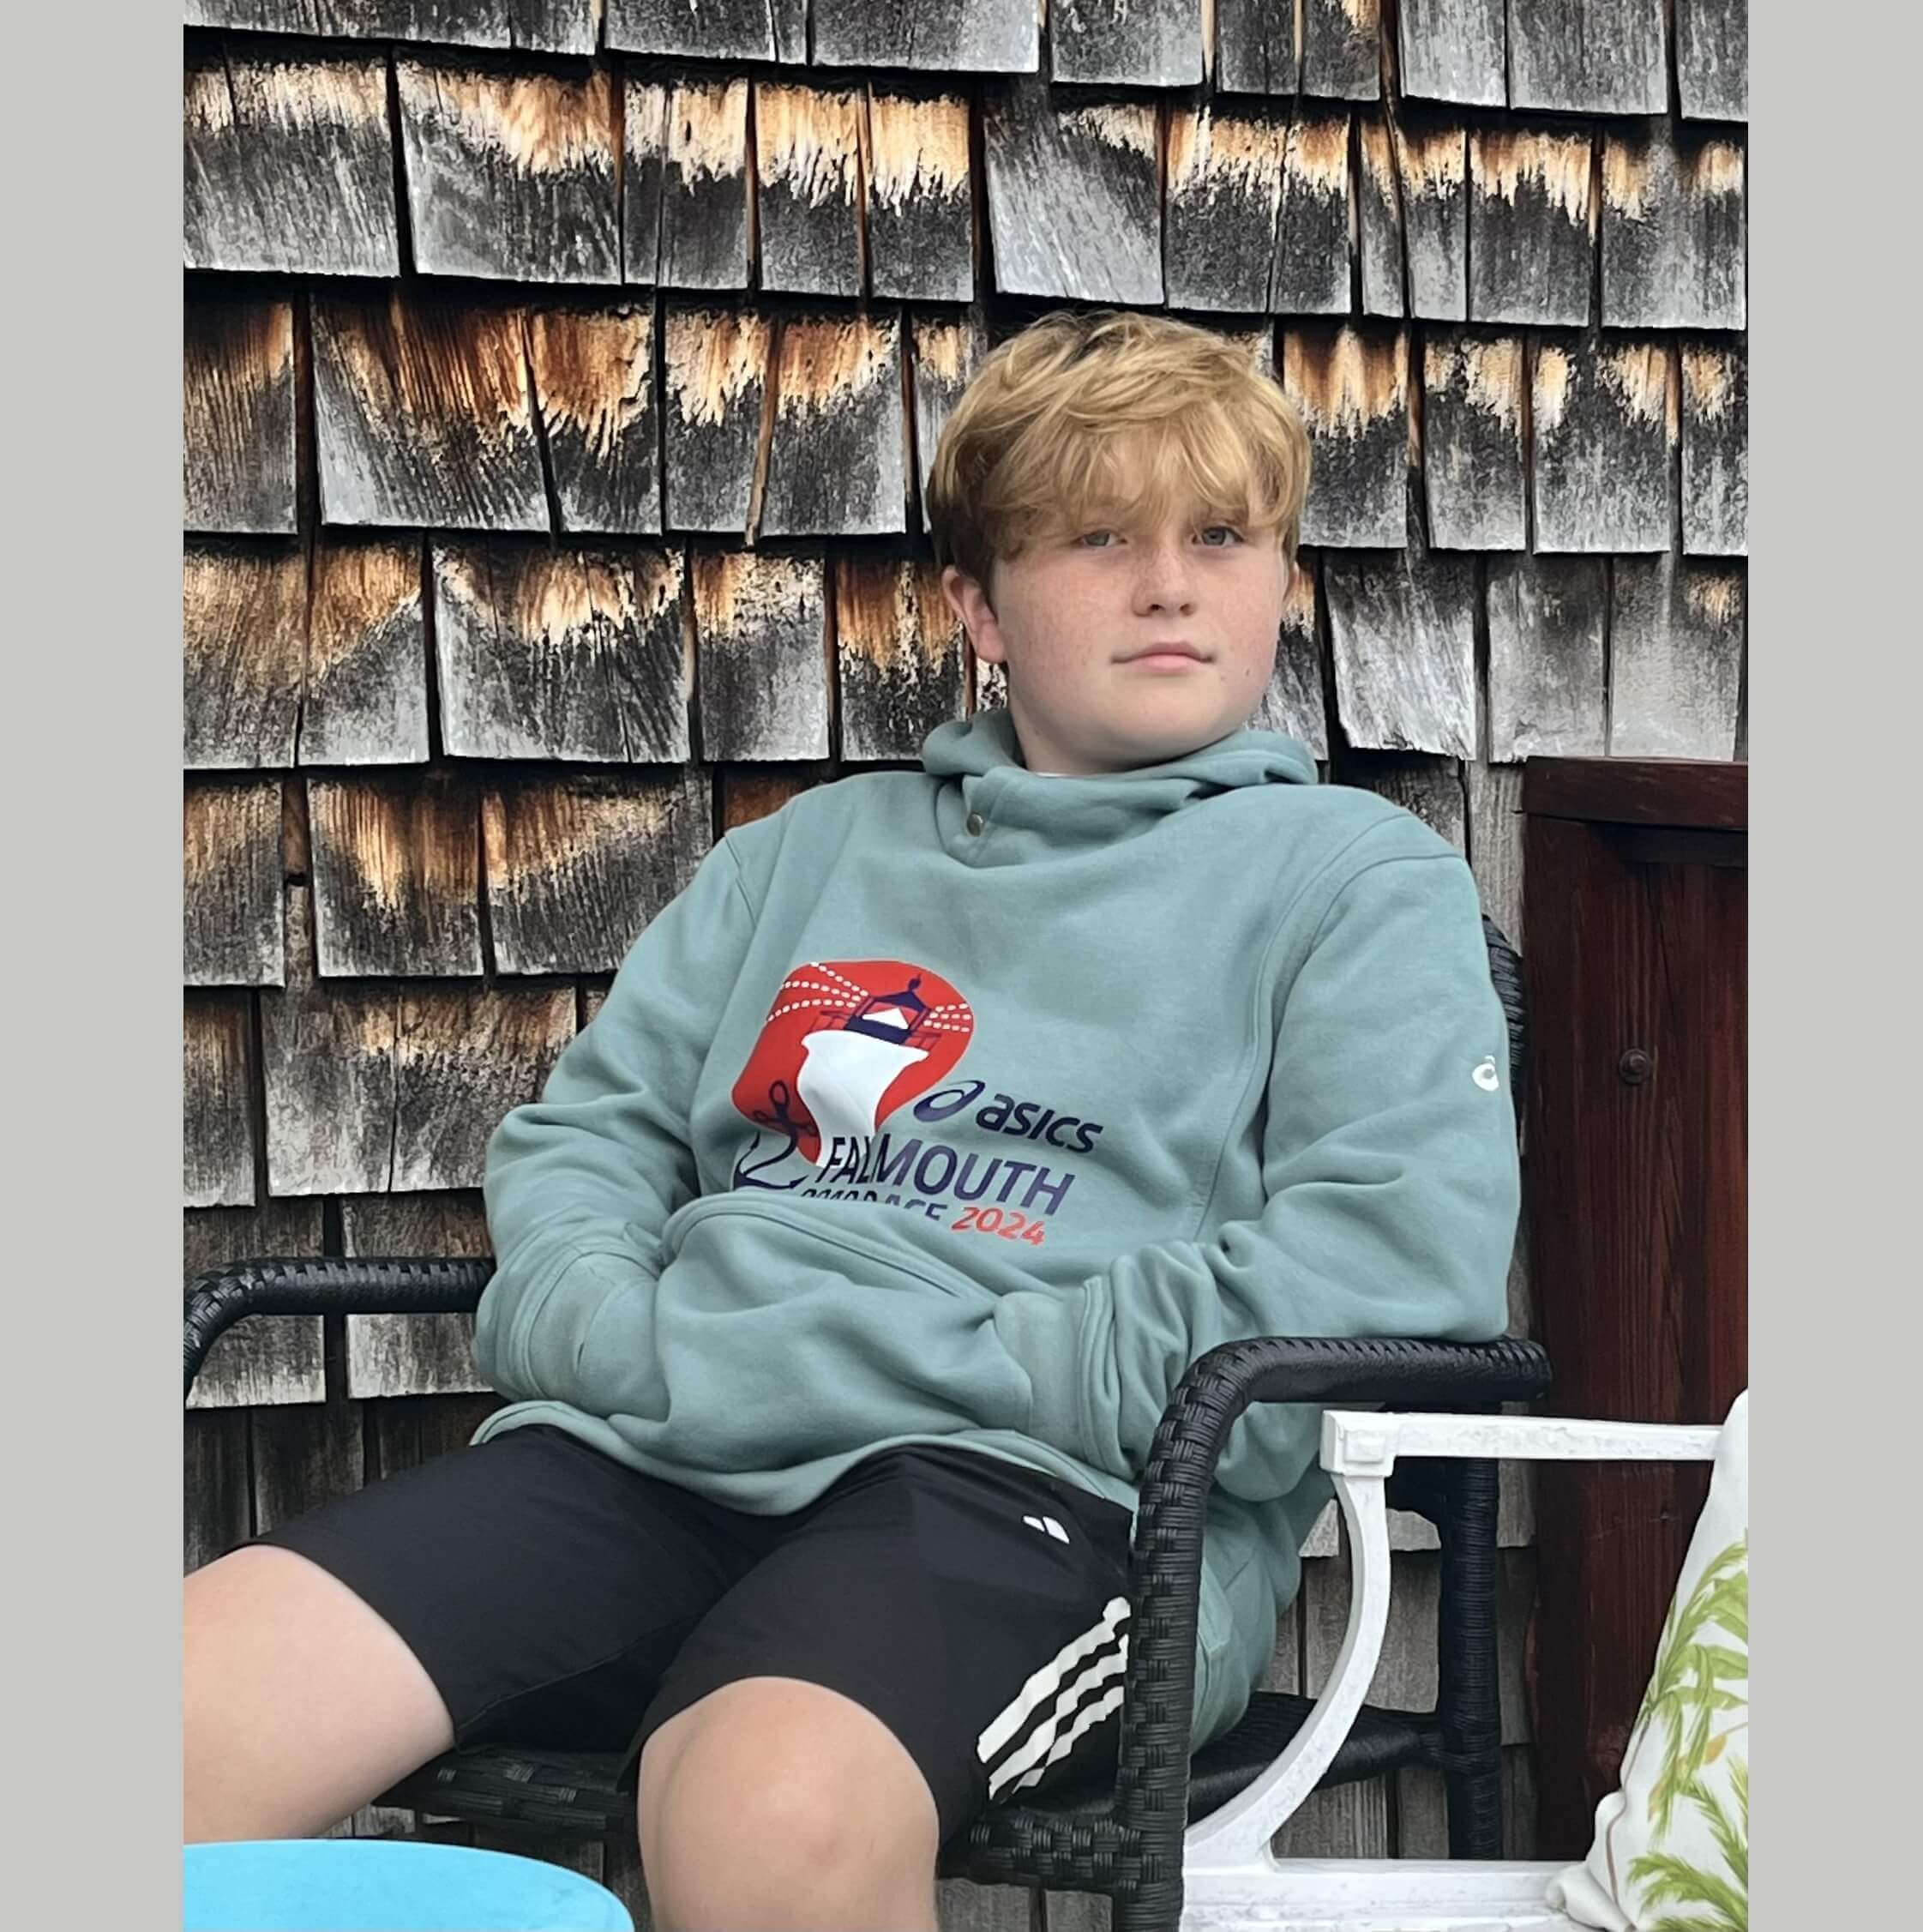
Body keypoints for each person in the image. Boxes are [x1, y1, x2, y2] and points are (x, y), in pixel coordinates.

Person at [183, 310, 1521, 1930]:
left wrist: (1015, 1362)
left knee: (766, 1809)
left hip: (1043, 1492)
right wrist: (603, 1327)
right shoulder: (804, 858)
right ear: (978, 604)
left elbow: (1393, 1253)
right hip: (660, 1448)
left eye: (1222, 538)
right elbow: (591, 1138)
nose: (1171, 586)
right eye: (1101, 538)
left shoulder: (1354, 882)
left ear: (1278, 578)